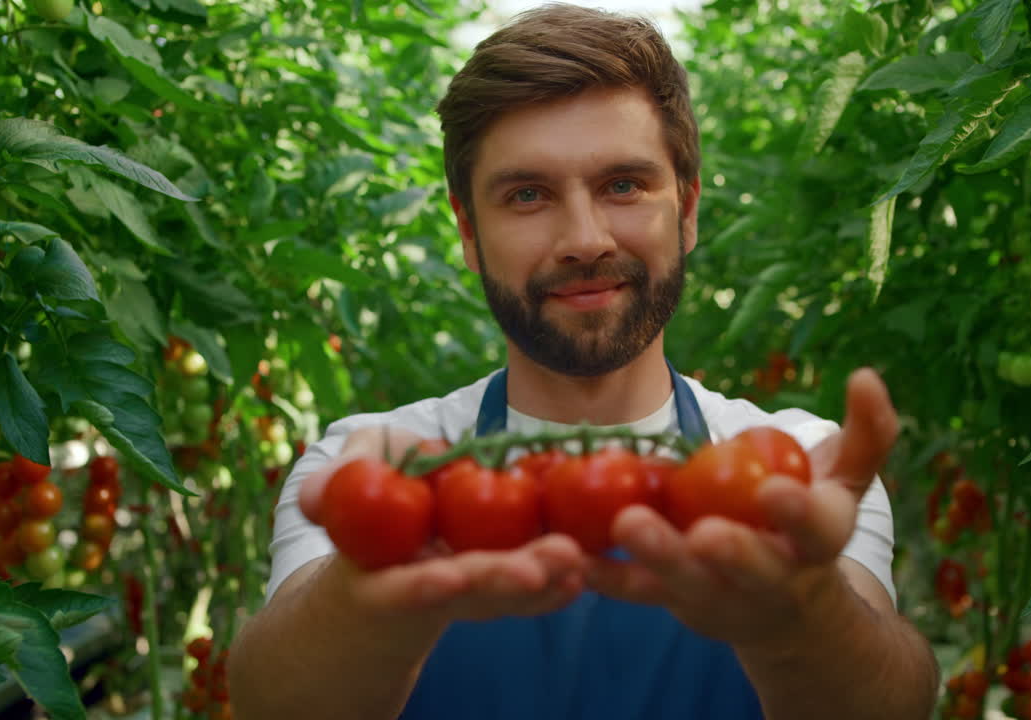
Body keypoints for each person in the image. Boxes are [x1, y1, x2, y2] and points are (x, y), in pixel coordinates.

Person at [228, 4, 939, 719]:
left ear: (688, 211)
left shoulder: (794, 464)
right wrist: (368, 592)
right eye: (528, 195)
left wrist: (802, 612)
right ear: (469, 234)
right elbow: (270, 702)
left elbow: (894, 703)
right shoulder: (369, 465)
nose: (584, 238)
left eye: (623, 185)